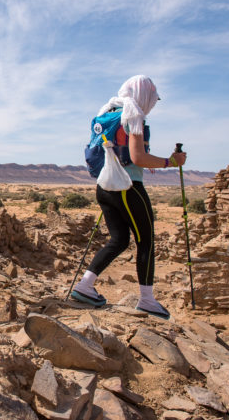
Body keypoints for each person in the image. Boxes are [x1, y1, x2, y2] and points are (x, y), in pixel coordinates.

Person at [71, 75, 186, 319]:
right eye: (152, 99)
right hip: (128, 188)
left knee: (120, 240)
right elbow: (137, 158)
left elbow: (129, 153)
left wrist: (148, 160)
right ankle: (147, 301)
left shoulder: (108, 113)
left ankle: (84, 286)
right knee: (146, 241)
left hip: (105, 187)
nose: (152, 103)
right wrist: (171, 162)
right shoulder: (133, 116)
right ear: (143, 95)